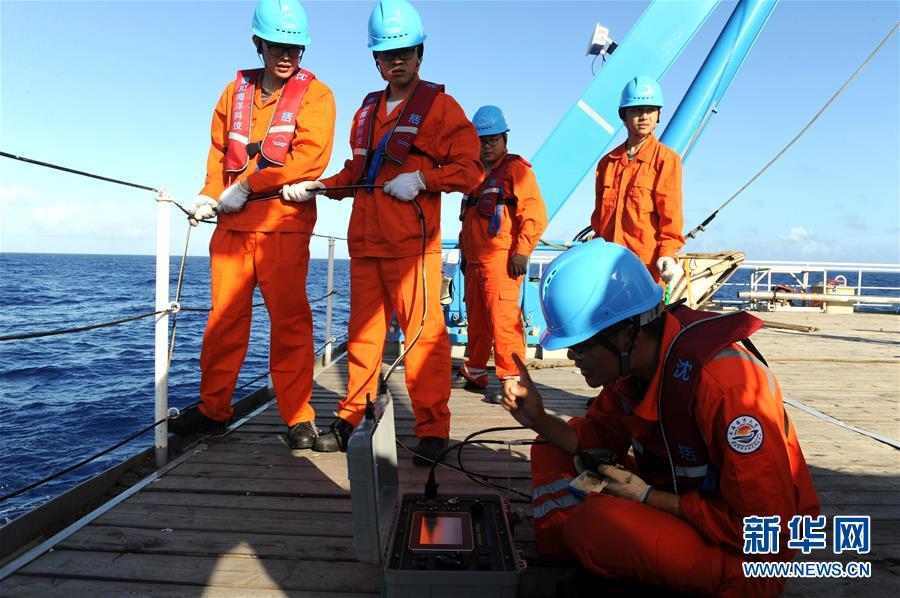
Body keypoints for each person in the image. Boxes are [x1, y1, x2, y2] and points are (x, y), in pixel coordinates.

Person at [502, 239, 819, 596]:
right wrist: (539, 419)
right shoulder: (631, 372)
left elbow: (765, 529)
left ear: (626, 333)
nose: (574, 357)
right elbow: (600, 438)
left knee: (593, 524)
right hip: (682, 504)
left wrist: (647, 497)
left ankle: (619, 555)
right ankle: (575, 557)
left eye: (581, 345)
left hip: (746, 556)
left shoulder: (727, 390)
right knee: (551, 449)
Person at [283, 0, 482, 464]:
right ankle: (353, 415)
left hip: (412, 249)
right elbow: (358, 170)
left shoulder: (441, 107)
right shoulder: (367, 109)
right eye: (388, 53)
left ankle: (432, 429)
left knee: (424, 340)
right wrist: (318, 186)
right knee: (363, 337)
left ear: (420, 54)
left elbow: (471, 169)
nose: (397, 60)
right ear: (375, 59)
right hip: (367, 245)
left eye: (406, 51)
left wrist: (424, 180)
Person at [175, 0, 336, 451]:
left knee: (290, 324)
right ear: (258, 44)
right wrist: (210, 191)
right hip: (231, 229)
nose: (287, 56)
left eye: (296, 48)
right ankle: (213, 410)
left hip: (282, 226)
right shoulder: (233, 92)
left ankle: (299, 418)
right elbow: (217, 150)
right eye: (278, 46)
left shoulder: (317, 94)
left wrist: (247, 186)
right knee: (223, 322)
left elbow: (311, 156)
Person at [453, 105, 548, 403]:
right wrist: (465, 255)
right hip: (475, 262)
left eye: (493, 138)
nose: (487, 145)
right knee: (478, 320)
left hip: (502, 261)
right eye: (481, 140)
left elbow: (533, 213)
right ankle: (476, 371)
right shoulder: (474, 176)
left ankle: (512, 379)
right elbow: (467, 219)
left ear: (504, 138)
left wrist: (522, 251)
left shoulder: (516, 170)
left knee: (504, 321)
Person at [590, 76, 685, 285]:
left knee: (647, 318)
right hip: (609, 267)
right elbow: (598, 219)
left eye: (650, 110)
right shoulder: (607, 163)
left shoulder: (666, 160)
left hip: (646, 267)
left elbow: (671, 214)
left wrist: (668, 254)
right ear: (624, 116)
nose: (644, 116)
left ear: (658, 114)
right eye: (636, 110)